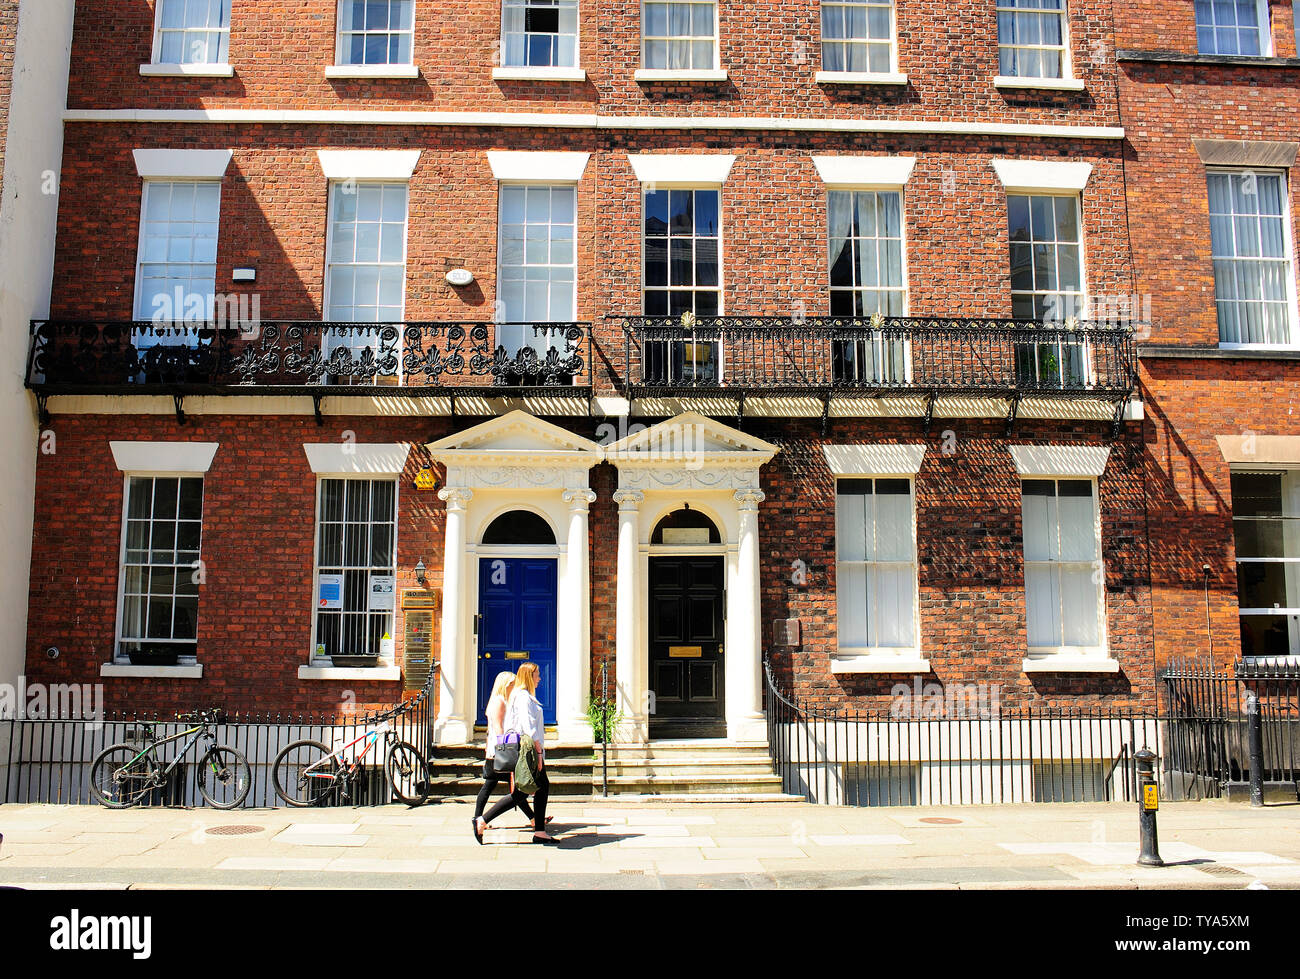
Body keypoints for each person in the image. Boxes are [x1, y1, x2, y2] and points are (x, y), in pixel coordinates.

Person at [481, 662, 555, 844]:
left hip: (530, 750)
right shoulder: (522, 697)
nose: (540, 678)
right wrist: (538, 754)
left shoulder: (524, 696)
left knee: (540, 787)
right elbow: (528, 728)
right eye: (537, 675)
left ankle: (539, 831)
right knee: (523, 792)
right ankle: (483, 820)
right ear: (529, 676)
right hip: (529, 751)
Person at [472, 671, 538, 844]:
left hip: (494, 752)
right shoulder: (499, 702)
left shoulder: (502, 701)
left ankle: (479, 818)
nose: (514, 687)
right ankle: (480, 819)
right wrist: (506, 750)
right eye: (511, 684)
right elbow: (498, 729)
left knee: (500, 786)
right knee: (517, 789)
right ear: (504, 685)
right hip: (499, 753)